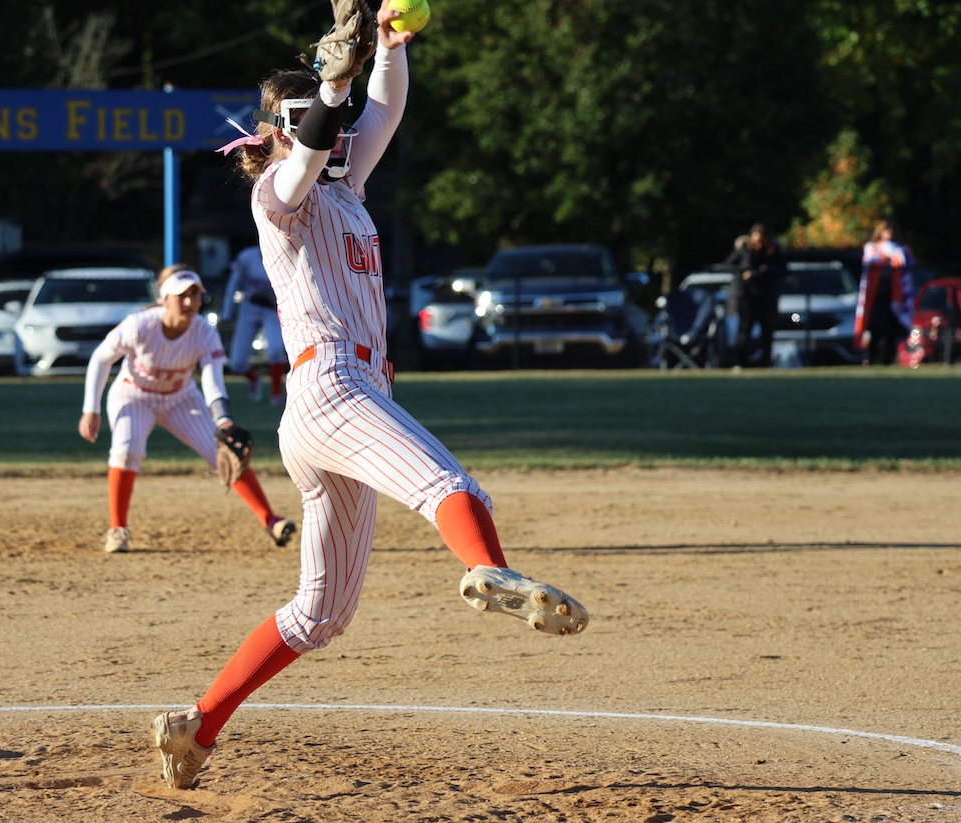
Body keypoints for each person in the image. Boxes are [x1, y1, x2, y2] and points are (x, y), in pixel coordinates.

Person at [152, 0, 589, 791]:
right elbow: (309, 148)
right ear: (278, 127)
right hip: (332, 385)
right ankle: (490, 571)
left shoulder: (347, 188)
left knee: (319, 615)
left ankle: (198, 725)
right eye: (318, 110)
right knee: (451, 486)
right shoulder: (277, 196)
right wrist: (331, 82)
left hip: (329, 404)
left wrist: (388, 47)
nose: (340, 120)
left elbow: (381, 108)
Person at [77, 263, 297, 554]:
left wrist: (224, 421)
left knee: (226, 451)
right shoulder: (139, 325)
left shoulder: (204, 333)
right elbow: (101, 359)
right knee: (127, 450)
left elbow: (213, 383)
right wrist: (90, 408)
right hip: (133, 394)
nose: (190, 302)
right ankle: (117, 529)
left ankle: (271, 520)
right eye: (182, 296)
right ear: (165, 299)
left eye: (195, 296)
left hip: (180, 397)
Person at [222, 245, 289, 404]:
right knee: (236, 363)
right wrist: (227, 313)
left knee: (276, 350)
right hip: (249, 308)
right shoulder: (247, 256)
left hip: (272, 310)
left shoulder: (284, 255)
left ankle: (276, 395)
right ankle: (253, 378)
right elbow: (233, 285)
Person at [723, 224, 784, 368]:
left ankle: (766, 361)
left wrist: (769, 270)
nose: (758, 245)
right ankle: (739, 362)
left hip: (766, 296)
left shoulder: (773, 253)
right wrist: (744, 271)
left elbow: (784, 270)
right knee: (745, 329)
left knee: (767, 330)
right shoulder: (744, 251)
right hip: (747, 296)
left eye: (761, 242)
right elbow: (727, 265)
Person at [855, 219, 915, 366]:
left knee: (892, 331)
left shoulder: (902, 251)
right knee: (875, 330)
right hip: (876, 298)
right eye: (887, 229)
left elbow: (907, 265)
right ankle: (870, 358)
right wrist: (887, 255)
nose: (890, 232)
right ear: (880, 232)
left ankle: (888, 360)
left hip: (894, 299)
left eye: (893, 230)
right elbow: (869, 264)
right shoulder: (872, 249)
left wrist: (895, 254)